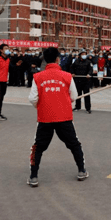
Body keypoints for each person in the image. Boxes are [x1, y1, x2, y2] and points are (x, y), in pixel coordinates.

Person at [27, 47, 88, 187]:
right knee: (73, 144)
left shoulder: (38, 77)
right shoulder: (67, 76)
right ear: (57, 59)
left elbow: (32, 98)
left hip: (45, 117)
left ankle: (33, 176)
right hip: (64, 116)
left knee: (39, 147)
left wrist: (40, 106)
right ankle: (81, 170)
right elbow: (74, 96)